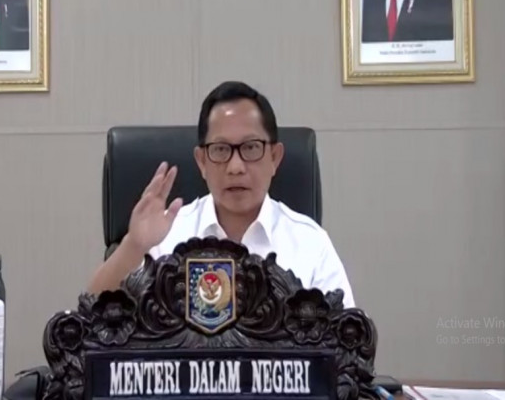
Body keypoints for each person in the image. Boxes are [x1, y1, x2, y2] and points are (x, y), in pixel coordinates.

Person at [87, 81, 355, 307]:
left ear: (275, 157)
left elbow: (347, 339)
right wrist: (134, 245)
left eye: (251, 148)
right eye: (220, 150)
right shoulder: (167, 235)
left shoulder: (310, 243)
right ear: (202, 161)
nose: (235, 167)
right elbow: (91, 312)